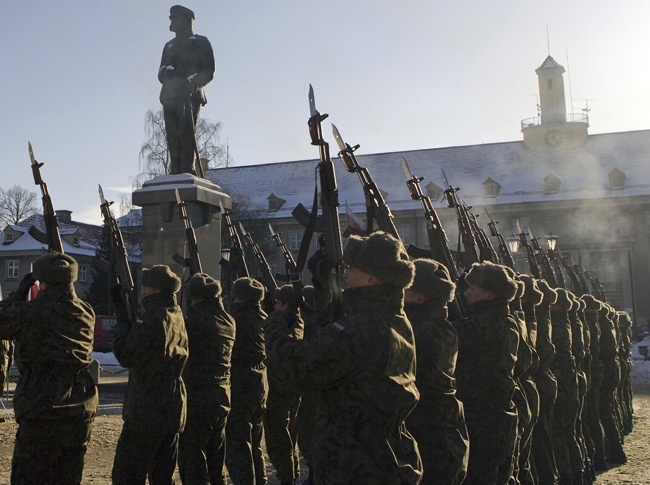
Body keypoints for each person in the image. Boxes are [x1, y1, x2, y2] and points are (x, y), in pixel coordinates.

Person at [264, 231, 422, 484]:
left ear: (373, 278)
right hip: (386, 455)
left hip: (354, 462)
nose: (345, 273)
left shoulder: (359, 329)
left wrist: (278, 323)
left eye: (353, 267)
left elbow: (293, 368)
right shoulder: (395, 320)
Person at [0, 252, 98, 484]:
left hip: (42, 408)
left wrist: (17, 294)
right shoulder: (86, 311)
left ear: (42, 282)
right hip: (79, 408)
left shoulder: (33, 312)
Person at [111, 265, 189, 484]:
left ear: (154, 289)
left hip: (147, 408)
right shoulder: (175, 315)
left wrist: (122, 322)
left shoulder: (155, 318)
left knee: (127, 475)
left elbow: (126, 354)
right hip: (172, 407)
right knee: (162, 476)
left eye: (144, 287)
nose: (141, 291)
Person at [452, 260, 519, 484]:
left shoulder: (486, 325)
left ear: (489, 295)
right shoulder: (504, 321)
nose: (466, 293)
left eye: (473, 289)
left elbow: (450, 334)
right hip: (495, 416)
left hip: (483, 419)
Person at [404, 258, 469, 485]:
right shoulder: (442, 326)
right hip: (442, 429)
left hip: (428, 433)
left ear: (420, 297)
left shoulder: (418, 331)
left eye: (406, 290)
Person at [178, 273, 236, 485]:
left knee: (193, 459)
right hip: (221, 394)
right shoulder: (228, 320)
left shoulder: (195, 322)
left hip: (197, 397)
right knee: (215, 459)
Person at [159, 5, 215, 175]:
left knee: (186, 132)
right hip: (170, 95)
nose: (171, 21)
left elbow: (208, 70)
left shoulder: (200, 42)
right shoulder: (169, 46)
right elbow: (160, 71)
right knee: (172, 136)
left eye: (174, 18)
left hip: (190, 94)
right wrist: (166, 73)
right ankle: (175, 169)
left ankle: (187, 169)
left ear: (185, 20)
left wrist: (193, 84)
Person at [225, 277, 269, 485]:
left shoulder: (235, 320)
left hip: (240, 383)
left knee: (238, 442)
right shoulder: (264, 318)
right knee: (254, 441)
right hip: (260, 383)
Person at [263, 285, 304, 485]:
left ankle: (288, 477)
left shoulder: (287, 322)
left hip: (282, 387)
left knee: (279, 437)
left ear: (285, 304)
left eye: (278, 303)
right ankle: (291, 474)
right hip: (290, 387)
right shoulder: (295, 320)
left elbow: (282, 350)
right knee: (288, 434)